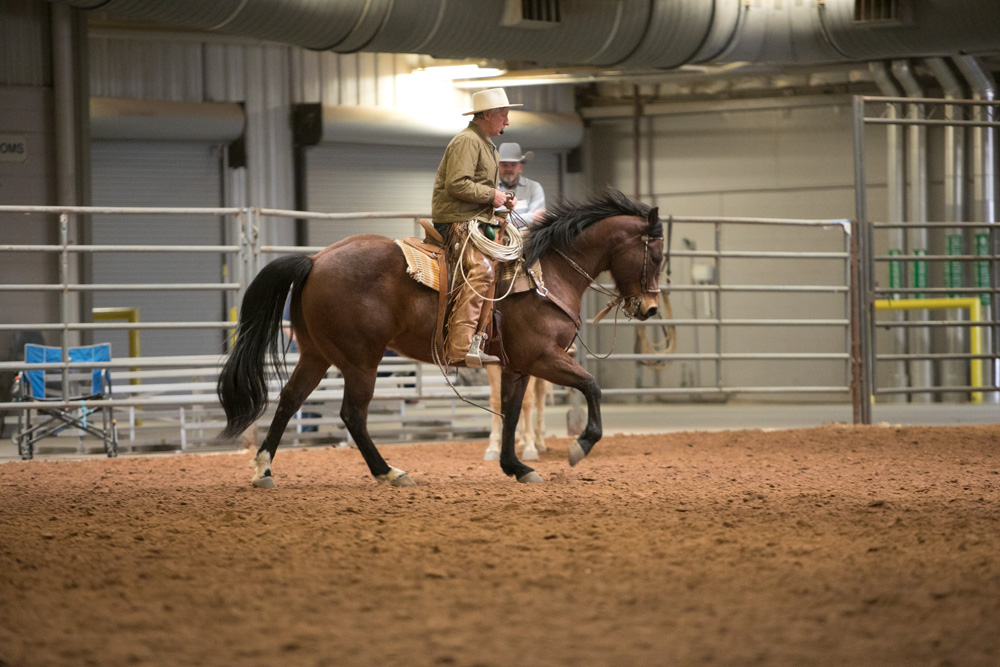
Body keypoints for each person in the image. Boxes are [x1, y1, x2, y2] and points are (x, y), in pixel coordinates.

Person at [431, 88, 520, 368]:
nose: (507, 121)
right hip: (456, 220)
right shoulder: (467, 141)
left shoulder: (484, 144)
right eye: (503, 114)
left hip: (475, 218)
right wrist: (492, 195)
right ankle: (460, 347)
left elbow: (473, 187)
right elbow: (456, 185)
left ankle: (487, 335)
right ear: (487, 114)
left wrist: (499, 200)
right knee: (482, 271)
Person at [497, 142, 546, 228]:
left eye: (513, 165)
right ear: (498, 167)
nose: (509, 169)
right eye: (504, 165)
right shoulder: (491, 189)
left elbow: (539, 219)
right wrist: (531, 217)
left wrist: (503, 220)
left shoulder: (534, 187)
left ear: (520, 167)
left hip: (527, 239)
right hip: (496, 240)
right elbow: (494, 220)